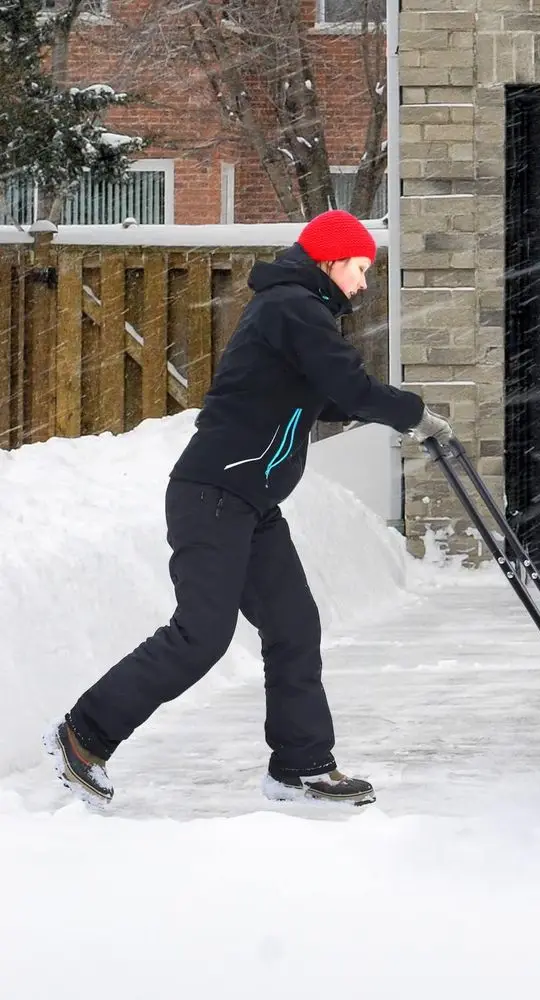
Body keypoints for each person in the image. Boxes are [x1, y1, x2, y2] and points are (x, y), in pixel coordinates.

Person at [43, 208, 453, 808]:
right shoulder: (293, 307)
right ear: (330, 260)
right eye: (360, 268)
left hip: (250, 502)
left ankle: (301, 767)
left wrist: (392, 414)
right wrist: (412, 413)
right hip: (214, 495)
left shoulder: (297, 310)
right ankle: (84, 735)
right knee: (201, 635)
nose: (364, 283)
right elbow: (350, 386)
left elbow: (316, 400)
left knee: (293, 626)